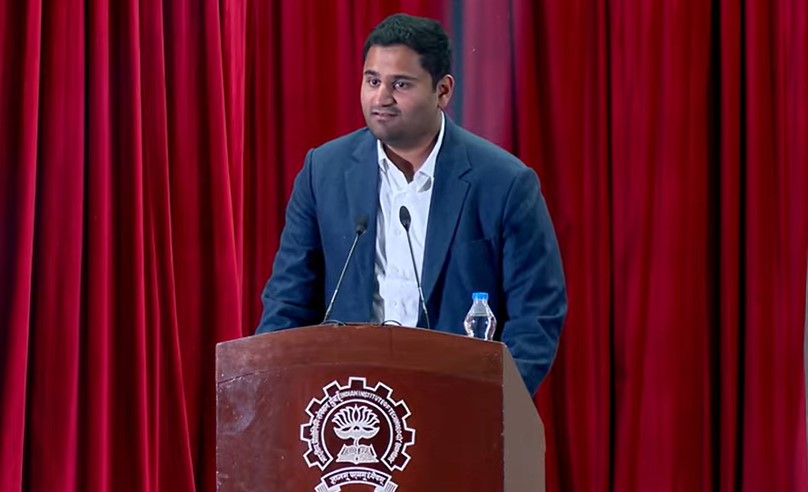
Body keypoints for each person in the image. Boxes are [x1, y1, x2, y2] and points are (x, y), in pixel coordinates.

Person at [256, 13, 567, 395]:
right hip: (348, 402)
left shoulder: (504, 183)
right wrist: (268, 394)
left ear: (443, 91)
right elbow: (287, 302)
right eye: (372, 81)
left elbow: (536, 316)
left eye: (400, 84)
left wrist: (492, 405)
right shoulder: (323, 172)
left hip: (456, 400)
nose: (380, 98)